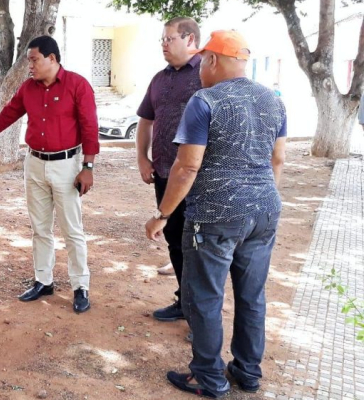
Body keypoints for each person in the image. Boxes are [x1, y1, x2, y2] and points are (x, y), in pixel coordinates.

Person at [145, 30, 286, 398]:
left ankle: (208, 377)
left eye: (203, 61)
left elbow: (186, 167)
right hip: (264, 212)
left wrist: (163, 214)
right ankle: (248, 372)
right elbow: (278, 159)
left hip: (215, 216)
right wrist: (258, 198)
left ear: (210, 60)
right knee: (252, 296)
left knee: (205, 296)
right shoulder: (273, 100)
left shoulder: (204, 100)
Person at [0, 36, 98, 314]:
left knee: (72, 229)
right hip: (34, 163)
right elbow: (4, 118)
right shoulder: (28, 88)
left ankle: (80, 286)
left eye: (34, 59)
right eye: (29, 60)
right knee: (40, 228)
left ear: (52, 59)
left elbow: (90, 127)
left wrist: (88, 167)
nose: (30, 66)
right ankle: (43, 280)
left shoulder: (77, 85)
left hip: (67, 165)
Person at [136, 17, 201, 327]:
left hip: (199, 179)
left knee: (198, 246)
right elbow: (146, 121)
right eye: (162, 39)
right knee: (175, 239)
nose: (163, 44)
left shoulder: (207, 73)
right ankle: (184, 301)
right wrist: (141, 158)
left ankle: (202, 317)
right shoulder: (159, 79)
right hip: (164, 172)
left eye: (169, 38)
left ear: (190, 40)